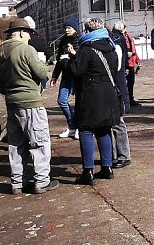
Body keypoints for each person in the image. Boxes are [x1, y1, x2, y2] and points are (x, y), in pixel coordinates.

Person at [0, 18, 59, 195]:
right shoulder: (26, 49)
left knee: (16, 144)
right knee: (39, 142)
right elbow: (41, 73)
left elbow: (1, 85)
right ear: (23, 32)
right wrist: (41, 62)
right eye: (29, 34)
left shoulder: (0, 52)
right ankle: (41, 181)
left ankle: (17, 183)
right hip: (30, 102)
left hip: (11, 102)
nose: (30, 38)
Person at [67, 17, 121, 186]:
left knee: (86, 130)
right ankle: (107, 167)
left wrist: (68, 60)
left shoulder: (86, 48)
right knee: (104, 130)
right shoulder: (111, 47)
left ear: (88, 31)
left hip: (91, 95)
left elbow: (77, 71)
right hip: (109, 93)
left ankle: (88, 171)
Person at [50, 17, 80, 139]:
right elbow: (59, 60)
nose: (67, 30)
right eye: (65, 28)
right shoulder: (63, 40)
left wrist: (72, 55)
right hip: (66, 76)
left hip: (77, 76)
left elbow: (81, 59)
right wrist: (54, 76)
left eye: (69, 28)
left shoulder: (79, 40)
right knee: (62, 100)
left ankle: (79, 127)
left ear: (75, 29)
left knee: (80, 103)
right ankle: (72, 126)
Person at [109, 22, 132, 169]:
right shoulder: (118, 42)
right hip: (114, 89)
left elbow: (117, 70)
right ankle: (112, 155)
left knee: (117, 122)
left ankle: (123, 155)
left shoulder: (116, 45)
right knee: (111, 124)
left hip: (115, 90)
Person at [123, 26, 141, 107]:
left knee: (131, 83)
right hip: (124, 64)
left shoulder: (129, 37)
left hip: (131, 63)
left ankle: (130, 99)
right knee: (124, 84)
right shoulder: (118, 38)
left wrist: (137, 60)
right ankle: (125, 100)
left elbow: (134, 50)